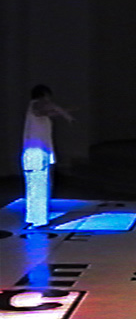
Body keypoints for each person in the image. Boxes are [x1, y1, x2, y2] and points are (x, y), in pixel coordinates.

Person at [22, 84, 75, 227]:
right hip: (36, 153)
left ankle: (34, 217)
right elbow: (44, 109)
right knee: (38, 185)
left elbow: (48, 112)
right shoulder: (36, 105)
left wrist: (65, 112)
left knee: (38, 185)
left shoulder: (37, 110)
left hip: (39, 152)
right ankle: (38, 220)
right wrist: (63, 113)